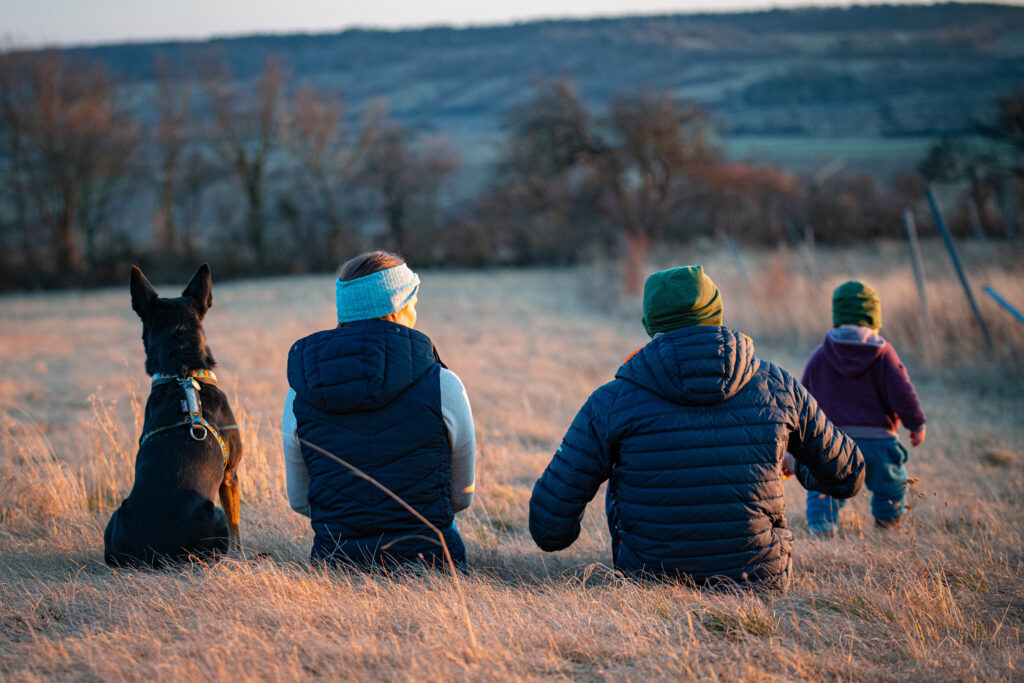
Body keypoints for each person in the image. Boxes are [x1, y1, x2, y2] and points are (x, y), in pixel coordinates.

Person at [528, 265, 864, 589]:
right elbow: (848, 475)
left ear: (650, 324)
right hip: (759, 578)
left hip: (648, 579)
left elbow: (549, 528)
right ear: (716, 312)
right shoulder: (778, 386)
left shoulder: (612, 400)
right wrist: (798, 465)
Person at [282, 251, 476, 570]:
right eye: (412, 301)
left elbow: (300, 500)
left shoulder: (298, 394)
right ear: (398, 308)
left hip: (336, 565)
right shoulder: (444, 384)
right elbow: (460, 498)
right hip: (431, 565)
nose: (415, 309)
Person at [801, 280, 926, 535]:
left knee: (825, 484)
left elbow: (803, 401)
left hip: (833, 442)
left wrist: (799, 444)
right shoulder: (884, 353)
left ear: (837, 317)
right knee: (890, 483)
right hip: (879, 441)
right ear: (873, 318)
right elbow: (903, 391)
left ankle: (821, 527)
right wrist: (916, 423)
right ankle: (888, 524)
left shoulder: (820, 355)